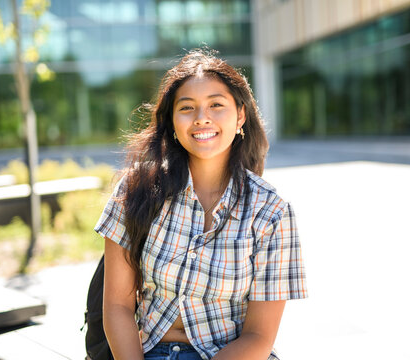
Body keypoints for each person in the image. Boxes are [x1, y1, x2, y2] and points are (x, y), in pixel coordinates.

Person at [95, 49, 307, 360]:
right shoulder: (136, 188)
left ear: (241, 116)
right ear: (171, 121)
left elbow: (259, 335)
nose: (201, 117)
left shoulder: (271, 211)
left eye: (216, 105)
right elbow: (117, 307)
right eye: (187, 107)